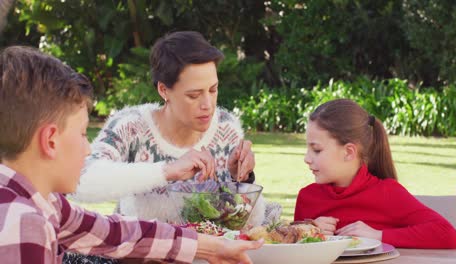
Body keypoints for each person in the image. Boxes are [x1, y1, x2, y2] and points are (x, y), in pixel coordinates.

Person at [0, 46, 263, 264]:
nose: (88, 148)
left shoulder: (45, 204)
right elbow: (88, 181)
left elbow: (115, 232)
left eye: (213, 90)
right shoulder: (23, 224)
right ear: (50, 140)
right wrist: (167, 170)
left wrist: (208, 247)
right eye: (82, 134)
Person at [72, 31, 280, 226]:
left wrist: (241, 180)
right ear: (164, 90)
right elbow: (79, 180)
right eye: (194, 95)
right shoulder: (131, 127)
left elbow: (239, 220)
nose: (208, 104)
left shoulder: (227, 128)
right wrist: (167, 171)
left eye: (213, 90)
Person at [294, 99, 456, 249]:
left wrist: (378, 235)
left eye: (316, 150)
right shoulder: (307, 198)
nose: (306, 158)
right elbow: (291, 252)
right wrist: (310, 232)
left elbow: (447, 235)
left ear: (349, 152)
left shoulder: (388, 193)